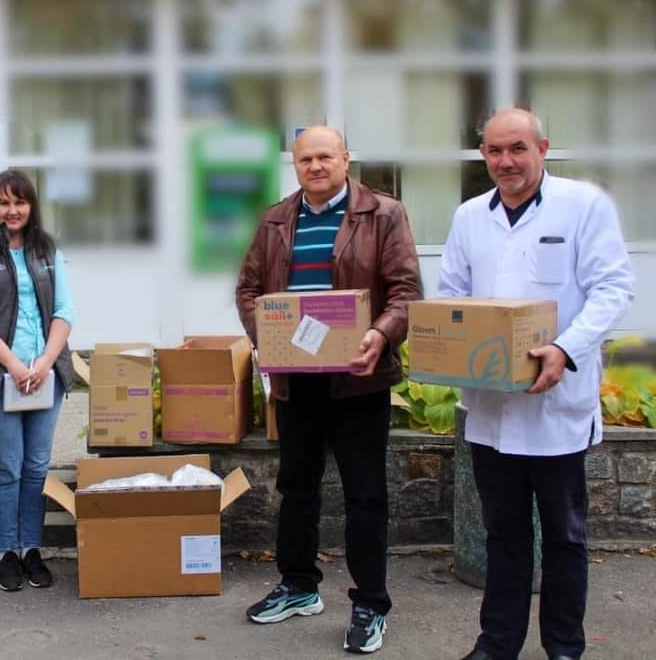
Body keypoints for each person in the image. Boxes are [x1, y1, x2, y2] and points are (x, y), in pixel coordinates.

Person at [440, 109, 634, 660]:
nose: (507, 161)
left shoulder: (584, 205)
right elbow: (453, 294)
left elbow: (613, 289)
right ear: (483, 155)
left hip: (556, 405)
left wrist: (565, 348)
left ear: (543, 147)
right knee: (503, 536)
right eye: (495, 151)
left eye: (518, 149)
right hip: (490, 408)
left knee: (565, 538)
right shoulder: (470, 216)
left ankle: (564, 647)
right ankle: (497, 643)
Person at [235, 126, 421, 653]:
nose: (315, 166)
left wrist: (379, 334)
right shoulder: (275, 219)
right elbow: (248, 289)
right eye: (304, 159)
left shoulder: (383, 214)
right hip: (297, 381)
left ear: (345, 158)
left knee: (365, 494)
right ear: (294, 166)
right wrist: (266, 333)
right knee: (296, 486)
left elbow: (406, 291)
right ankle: (298, 586)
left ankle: (370, 604)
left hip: (359, 378)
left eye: (324, 156)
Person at [0, 169, 74, 592]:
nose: (12, 210)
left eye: (19, 202)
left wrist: (44, 362)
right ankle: (7, 551)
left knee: (36, 466)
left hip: (44, 375)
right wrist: (13, 364)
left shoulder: (46, 249)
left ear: (31, 205)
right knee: (6, 467)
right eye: (3, 202)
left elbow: (64, 311)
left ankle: (32, 549)